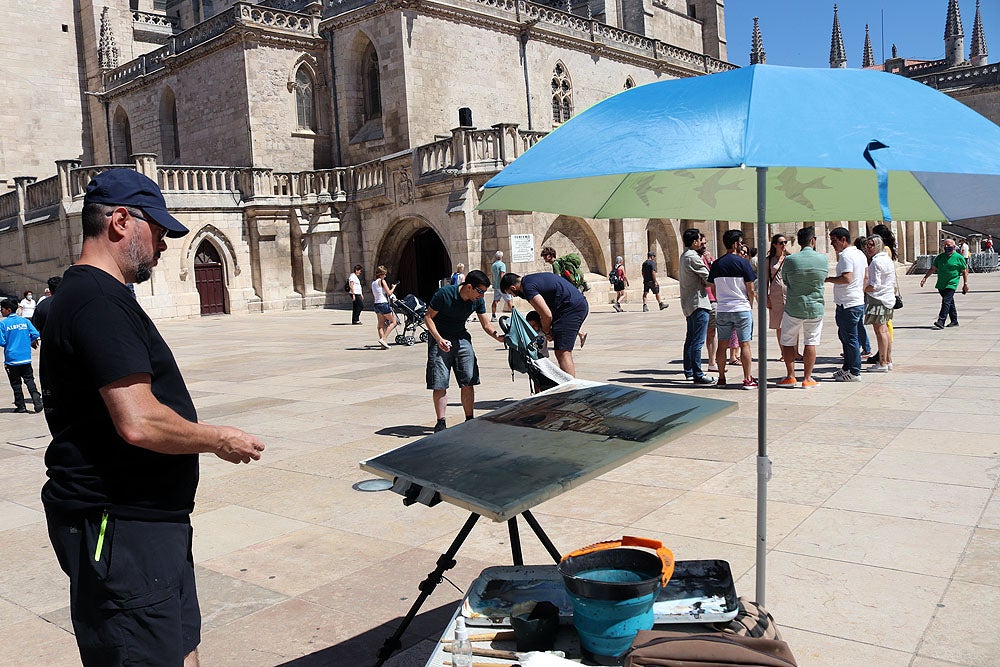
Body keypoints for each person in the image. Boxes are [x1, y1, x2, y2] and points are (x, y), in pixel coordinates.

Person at [40, 168, 265, 666]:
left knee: (180, 647)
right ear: (121, 221)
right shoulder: (97, 301)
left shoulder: (96, 297)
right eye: (159, 230)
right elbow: (138, 421)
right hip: (122, 527)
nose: (164, 245)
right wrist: (217, 438)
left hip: (150, 525)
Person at [425, 269, 504, 432]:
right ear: (469, 286)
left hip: (461, 337)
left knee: (468, 378)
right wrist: (439, 339)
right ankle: (441, 422)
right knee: (439, 380)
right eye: (480, 291)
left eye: (484, 292)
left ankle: (469, 419)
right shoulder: (444, 294)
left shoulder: (477, 300)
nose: (482, 296)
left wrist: (499, 337)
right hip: (439, 338)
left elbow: (486, 324)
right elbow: (428, 317)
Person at [500, 271, 589, 377]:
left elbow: (546, 315)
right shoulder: (530, 279)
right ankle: (569, 386)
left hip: (570, 308)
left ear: (513, 288)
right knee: (561, 349)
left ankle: (570, 390)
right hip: (572, 305)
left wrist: (546, 331)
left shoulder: (528, 288)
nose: (513, 296)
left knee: (562, 351)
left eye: (511, 293)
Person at [774, 227, 828, 389]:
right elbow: (823, 278)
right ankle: (807, 378)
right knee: (811, 342)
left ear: (798, 241)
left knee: (788, 341)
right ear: (813, 241)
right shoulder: (823, 259)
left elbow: (786, 281)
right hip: (815, 306)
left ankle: (791, 376)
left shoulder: (790, 260)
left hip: (794, 306)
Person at [707, 229, 757, 389]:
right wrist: (750, 304)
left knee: (722, 345)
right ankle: (747, 378)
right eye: (741, 243)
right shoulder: (743, 262)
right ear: (735, 244)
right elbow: (750, 286)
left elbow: (713, 287)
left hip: (723, 309)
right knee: (745, 345)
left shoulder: (717, 264)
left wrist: (721, 299)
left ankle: (721, 378)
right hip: (741, 307)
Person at [826, 227, 867, 382]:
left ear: (843, 239)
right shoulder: (859, 253)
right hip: (854, 301)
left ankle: (855, 371)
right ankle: (847, 367)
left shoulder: (846, 256)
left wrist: (829, 279)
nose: (832, 244)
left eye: (834, 241)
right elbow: (865, 276)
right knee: (846, 337)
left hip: (848, 303)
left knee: (850, 338)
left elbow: (847, 278)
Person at [679, 229, 714, 385]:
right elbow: (709, 278)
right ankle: (698, 374)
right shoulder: (693, 257)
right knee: (698, 341)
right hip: (699, 303)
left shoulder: (684, 256)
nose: (701, 243)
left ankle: (690, 372)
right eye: (700, 240)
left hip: (689, 303)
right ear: (694, 242)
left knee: (690, 339)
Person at [0, 297, 42, 413]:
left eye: (2, 309)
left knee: (16, 383)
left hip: (12, 359)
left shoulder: (3, 324)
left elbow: (2, 342)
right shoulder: (25, 321)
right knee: (29, 379)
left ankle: (21, 406)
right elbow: (35, 334)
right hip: (25, 357)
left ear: (8, 310)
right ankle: (36, 397)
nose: (1, 311)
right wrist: (28, 341)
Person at [921, 238, 969, 329]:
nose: (946, 247)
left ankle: (941, 321)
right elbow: (933, 268)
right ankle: (954, 321)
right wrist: (925, 278)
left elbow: (964, 271)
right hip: (941, 283)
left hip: (952, 282)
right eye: (945, 245)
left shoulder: (959, 258)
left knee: (946, 301)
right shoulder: (940, 257)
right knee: (949, 302)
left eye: (949, 245)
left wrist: (965, 284)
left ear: (954, 246)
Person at [863, 234, 895, 372]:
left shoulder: (876, 262)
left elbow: (874, 285)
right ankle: (887, 360)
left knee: (880, 331)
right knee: (885, 331)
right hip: (887, 298)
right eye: (867, 245)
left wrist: (862, 289)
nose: (868, 248)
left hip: (878, 299)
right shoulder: (887, 259)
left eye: (871, 245)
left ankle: (882, 362)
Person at [765, 233, 789, 354]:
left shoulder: (789, 258)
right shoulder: (769, 260)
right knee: (779, 325)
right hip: (775, 295)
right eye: (781, 243)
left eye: (785, 242)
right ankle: (783, 352)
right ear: (774, 244)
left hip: (789, 295)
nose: (783, 245)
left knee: (791, 324)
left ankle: (794, 351)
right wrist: (766, 298)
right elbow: (765, 281)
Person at [698, 234, 718, 372]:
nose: (704, 245)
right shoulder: (694, 259)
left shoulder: (710, 259)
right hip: (700, 299)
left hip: (713, 298)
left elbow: (715, 276)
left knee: (712, 332)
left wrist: (710, 262)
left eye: (705, 243)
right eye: (701, 243)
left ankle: (712, 362)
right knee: (698, 334)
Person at [371, 265, 398, 349]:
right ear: (381, 274)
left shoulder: (373, 283)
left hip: (376, 304)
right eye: (384, 274)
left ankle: (383, 345)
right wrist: (393, 287)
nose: (385, 276)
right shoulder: (382, 281)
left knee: (380, 325)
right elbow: (389, 293)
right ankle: (384, 339)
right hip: (383, 303)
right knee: (394, 322)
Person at [490, 251, 511, 321]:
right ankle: (515, 316)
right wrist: (506, 284)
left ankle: (493, 316)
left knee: (495, 301)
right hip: (502, 286)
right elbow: (502, 275)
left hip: (496, 286)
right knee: (509, 301)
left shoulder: (493, 265)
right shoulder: (502, 265)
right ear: (502, 257)